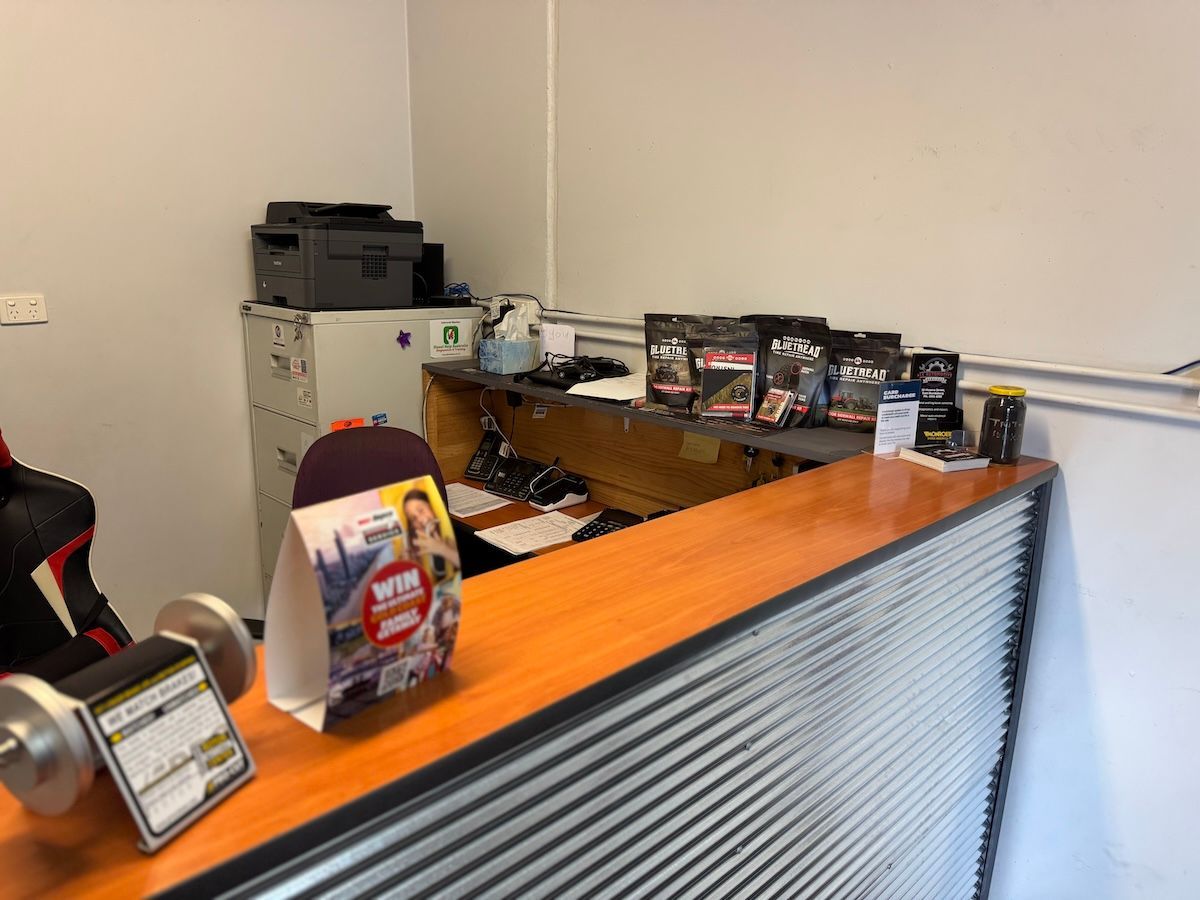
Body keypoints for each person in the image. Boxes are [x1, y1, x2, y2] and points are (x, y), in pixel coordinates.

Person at [401, 488, 460, 574]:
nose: (420, 519)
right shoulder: (415, 550)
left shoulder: (452, 532)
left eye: (421, 510)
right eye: (413, 518)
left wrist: (442, 549)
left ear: (432, 506)